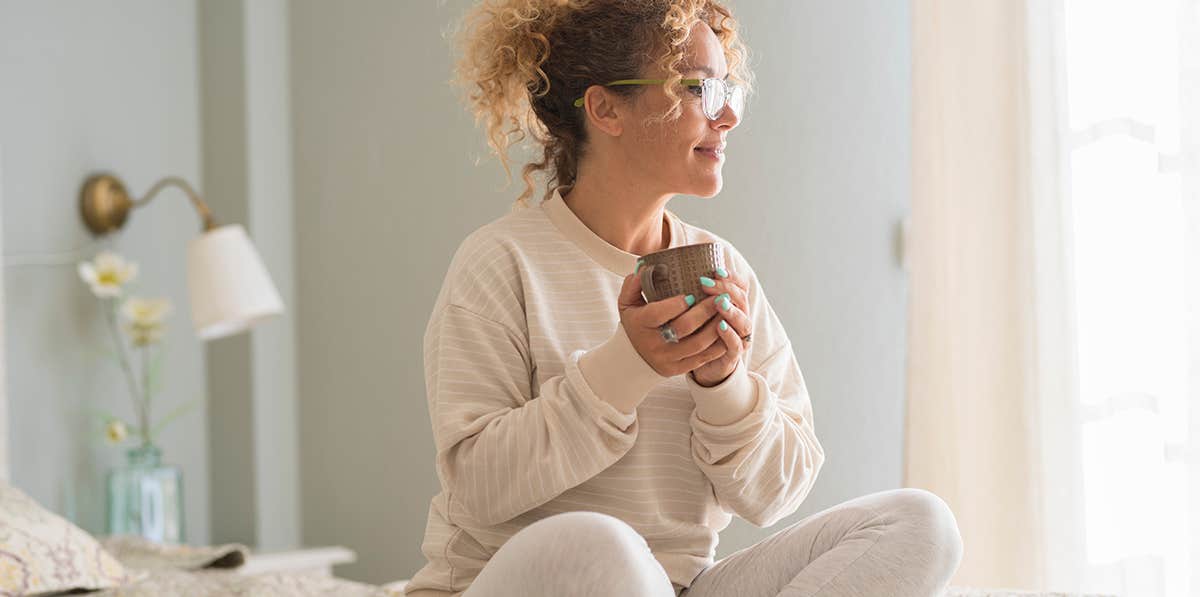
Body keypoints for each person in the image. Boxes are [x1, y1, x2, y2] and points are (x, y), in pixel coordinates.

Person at [405, 1, 963, 595]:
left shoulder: (726, 270)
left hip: (679, 586)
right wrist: (627, 368)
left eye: (728, 89)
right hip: (520, 581)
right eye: (699, 88)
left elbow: (778, 492)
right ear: (606, 108)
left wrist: (725, 386)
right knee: (603, 543)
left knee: (920, 523)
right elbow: (478, 486)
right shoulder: (501, 261)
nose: (726, 117)